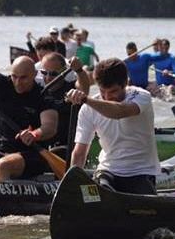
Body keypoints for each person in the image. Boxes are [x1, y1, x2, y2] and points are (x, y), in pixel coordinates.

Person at [65, 58, 160, 195]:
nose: (107, 96)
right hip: (107, 171)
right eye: (103, 91)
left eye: (113, 91)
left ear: (125, 83)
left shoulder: (141, 96)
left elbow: (119, 112)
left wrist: (85, 99)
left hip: (141, 171)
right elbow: (79, 153)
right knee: (97, 193)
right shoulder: (88, 109)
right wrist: (70, 186)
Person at [38, 52, 92, 153]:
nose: (48, 78)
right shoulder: (38, 92)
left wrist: (79, 70)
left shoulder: (71, 89)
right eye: (45, 73)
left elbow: (84, 88)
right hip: (43, 146)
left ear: (63, 71)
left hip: (66, 147)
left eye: (53, 74)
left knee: (56, 151)